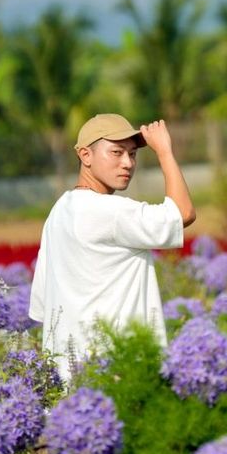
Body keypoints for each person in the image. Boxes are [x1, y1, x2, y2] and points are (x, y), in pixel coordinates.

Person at [28, 113, 196, 379]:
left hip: (69, 377)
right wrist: (164, 151)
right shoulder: (109, 211)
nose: (127, 163)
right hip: (117, 372)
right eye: (116, 152)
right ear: (85, 155)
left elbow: (42, 308)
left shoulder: (58, 212)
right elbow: (183, 213)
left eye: (132, 154)